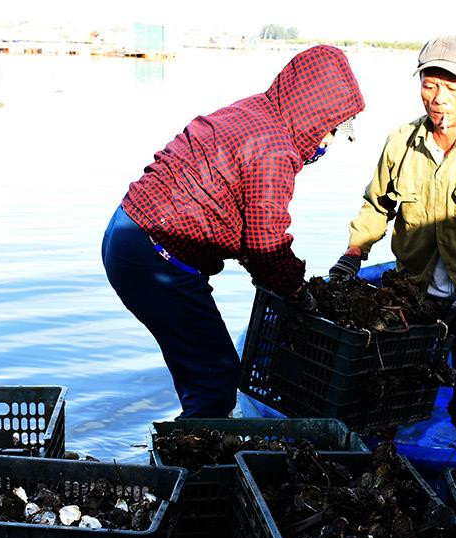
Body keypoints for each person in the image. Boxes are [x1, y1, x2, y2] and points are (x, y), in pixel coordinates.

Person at [103, 45, 365, 418]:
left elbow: (237, 210)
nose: (329, 141)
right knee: (216, 378)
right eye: (331, 129)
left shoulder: (256, 110)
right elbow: (266, 246)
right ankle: (190, 471)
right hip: (154, 255)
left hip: (127, 229)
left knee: (206, 368)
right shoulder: (275, 149)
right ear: (314, 113)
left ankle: (188, 450)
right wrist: (297, 292)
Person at [330, 35, 456, 449]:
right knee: (386, 396)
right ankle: (380, 467)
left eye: (453, 85)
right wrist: (353, 254)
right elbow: (376, 206)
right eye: (430, 84)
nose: (439, 98)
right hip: (412, 297)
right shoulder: (400, 144)